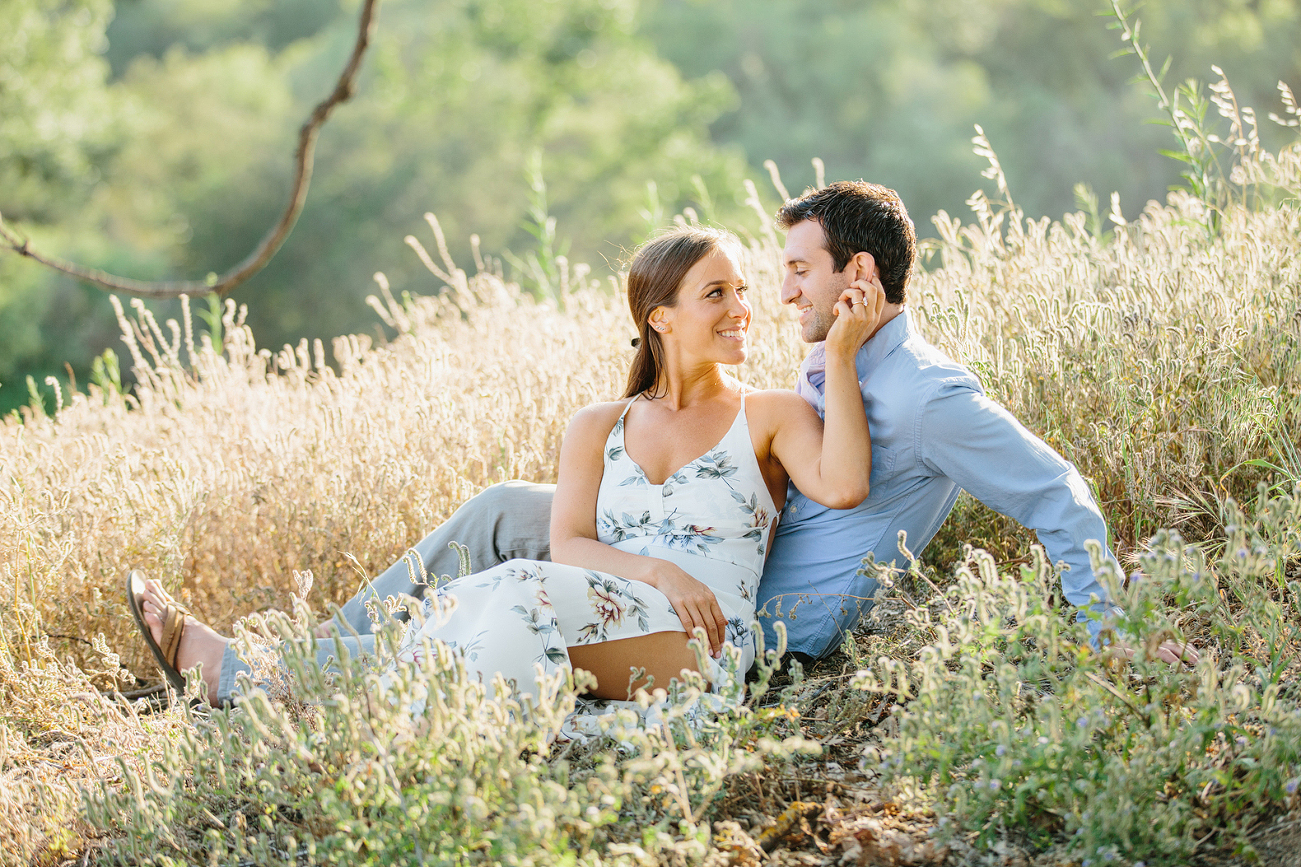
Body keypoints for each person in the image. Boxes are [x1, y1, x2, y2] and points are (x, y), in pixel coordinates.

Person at [295, 180, 1193, 669]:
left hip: (747, 609)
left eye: (798, 270)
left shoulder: (926, 397)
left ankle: (312, 680)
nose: (781, 293)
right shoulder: (826, 363)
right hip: (697, 547)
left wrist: (1106, 639)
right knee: (502, 510)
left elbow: (1055, 493)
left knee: (519, 585)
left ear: (858, 274)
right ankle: (307, 662)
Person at [128, 225, 885, 704]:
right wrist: (659, 570)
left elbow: (845, 482)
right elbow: (571, 547)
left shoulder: (771, 413)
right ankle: (251, 679)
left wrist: (841, 354)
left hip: (699, 645)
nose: (741, 308)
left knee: (507, 594)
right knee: (493, 628)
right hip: (602, 607)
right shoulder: (598, 425)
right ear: (660, 317)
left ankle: (254, 675)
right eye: (715, 293)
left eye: (742, 291)